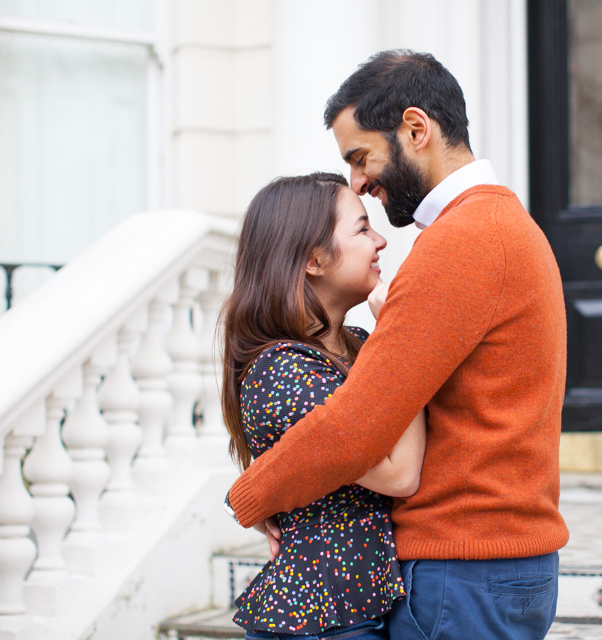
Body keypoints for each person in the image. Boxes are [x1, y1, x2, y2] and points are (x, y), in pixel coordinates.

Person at [227, 50, 569, 640]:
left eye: (361, 158)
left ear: (416, 129)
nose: (358, 182)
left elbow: (356, 430)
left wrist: (251, 494)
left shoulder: (459, 243)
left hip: (463, 568)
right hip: (500, 563)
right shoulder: (506, 225)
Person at [220, 172, 427, 640]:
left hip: (361, 607)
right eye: (362, 228)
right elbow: (398, 475)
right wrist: (403, 335)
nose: (380, 241)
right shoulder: (282, 370)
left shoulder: (357, 343)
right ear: (314, 259)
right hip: (319, 617)